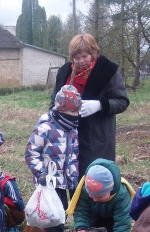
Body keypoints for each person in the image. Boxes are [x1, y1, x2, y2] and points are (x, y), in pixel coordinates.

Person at [50, 34, 129, 178]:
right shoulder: (64, 72)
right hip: (67, 139)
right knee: (72, 181)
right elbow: (53, 100)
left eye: (84, 56)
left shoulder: (107, 71)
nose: (80, 61)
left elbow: (122, 101)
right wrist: (55, 112)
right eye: (76, 57)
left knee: (96, 181)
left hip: (97, 139)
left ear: (93, 53)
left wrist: (100, 105)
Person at [25, 85, 80, 232]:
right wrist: (41, 172)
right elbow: (31, 152)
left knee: (62, 208)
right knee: (54, 209)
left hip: (67, 178)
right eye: (72, 113)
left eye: (76, 113)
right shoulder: (45, 128)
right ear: (61, 109)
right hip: (49, 178)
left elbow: (75, 153)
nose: (75, 116)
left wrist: (74, 173)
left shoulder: (72, 129)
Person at [69, 159, 133, 232]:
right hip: (95, 215)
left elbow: (122, 223)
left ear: (111, 189)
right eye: (91, 196)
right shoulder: (85, 189)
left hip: (112, 219)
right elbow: (82, 210)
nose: (94, 199)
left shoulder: (121, 195)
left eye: (99, 197)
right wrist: (81, 228)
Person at [0, 163, 26, 232]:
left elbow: (18, 202)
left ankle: (12, 226)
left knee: (1, 204)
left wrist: (3, 201)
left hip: (16, 213)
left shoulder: (7, 182)